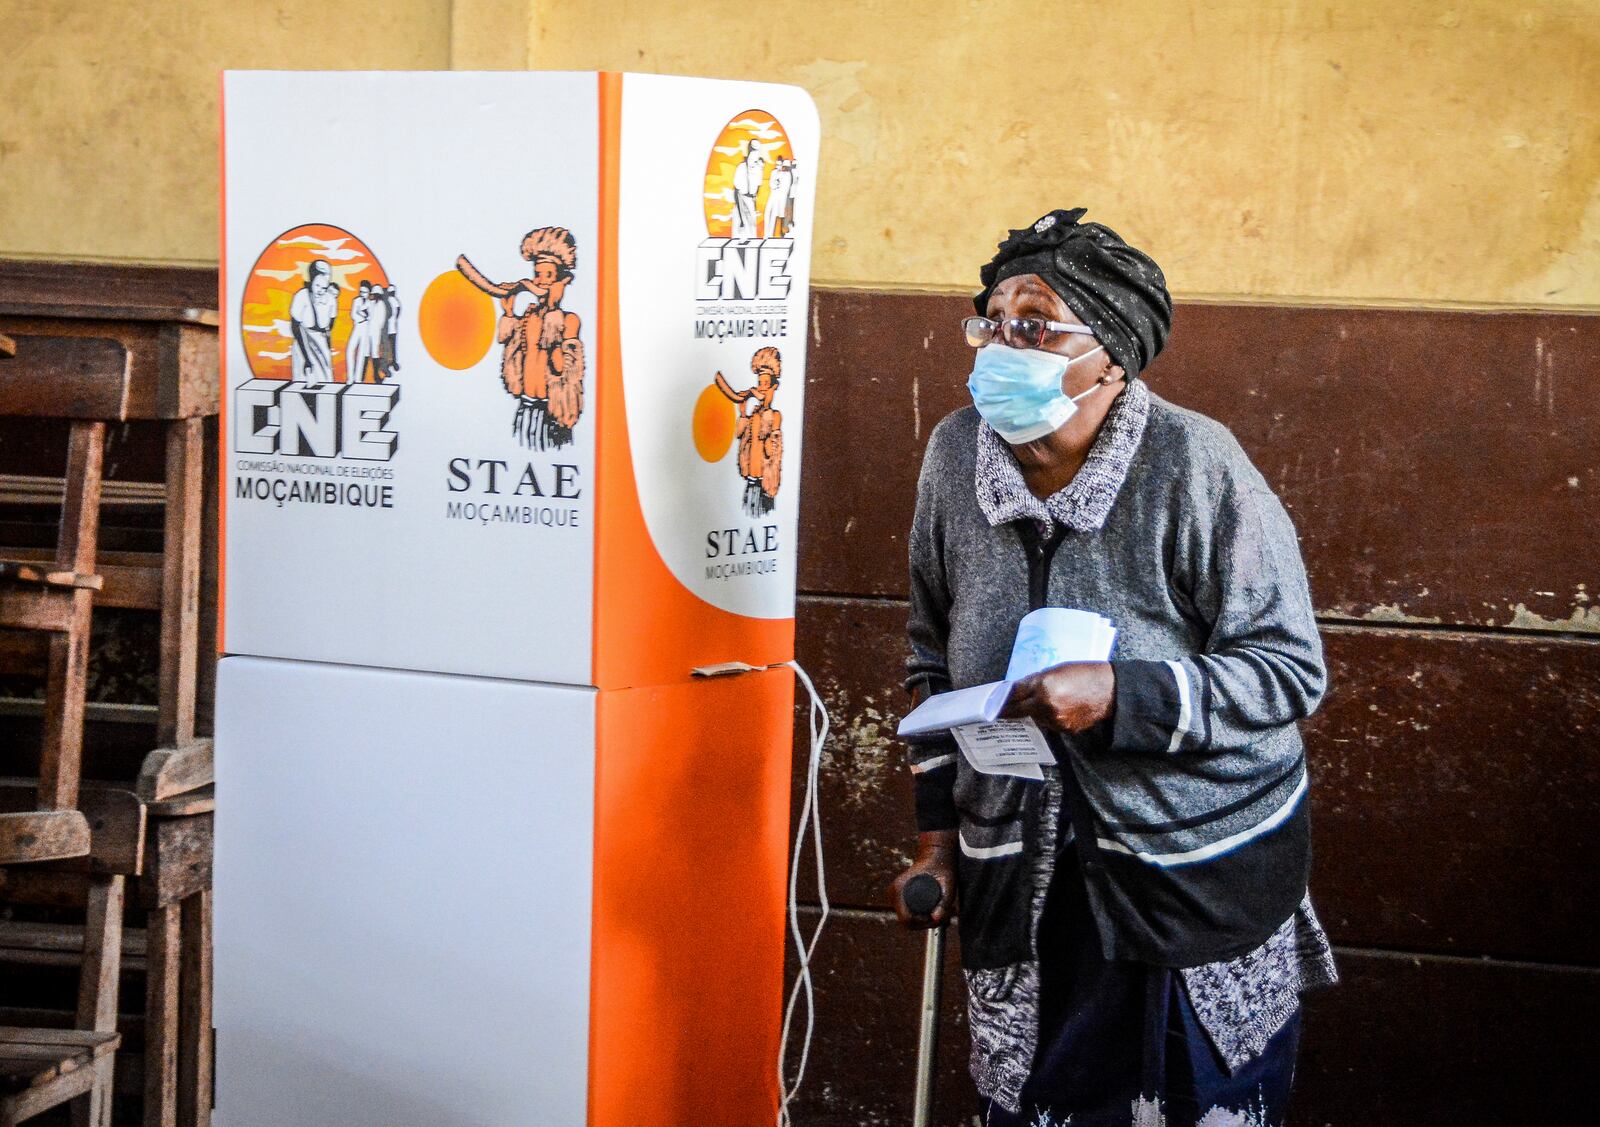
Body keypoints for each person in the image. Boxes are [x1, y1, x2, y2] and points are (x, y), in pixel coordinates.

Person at [890, 208, 1339, 1127]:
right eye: (992, 320)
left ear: (1113, 356)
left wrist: (1122, 695)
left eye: (1035, 324)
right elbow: (928, 656)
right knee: (1040, 1099)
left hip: (1189, 864)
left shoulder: (1195, 464)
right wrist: (937, 841)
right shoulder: (952, 455)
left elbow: (1290, 669)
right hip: (1021, 862)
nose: (1000, 345)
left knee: (1191, 1095)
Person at [289, 258, 338, 385]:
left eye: (324, 287)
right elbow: (295, 327)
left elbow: (330, 324)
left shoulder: (331, 300)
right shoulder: (301, 296)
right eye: (317, 285)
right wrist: (307, 358)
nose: (320, 291)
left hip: (321, 345)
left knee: (325, 381)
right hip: (303, 344)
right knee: (302, 382)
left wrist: (324, 340)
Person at [346, 280, 374, 384]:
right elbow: (354, 315)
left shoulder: (370, 303)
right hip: (357, 327)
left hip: (365, 329)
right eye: (361, 291)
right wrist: (363, 314)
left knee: (361, 354)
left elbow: (370, 317)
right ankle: (350, 377)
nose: (362, 294)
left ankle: (358, 379)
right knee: (350, 350)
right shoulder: (356, 301)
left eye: (365, 292)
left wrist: (361, 312)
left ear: (369, 293)